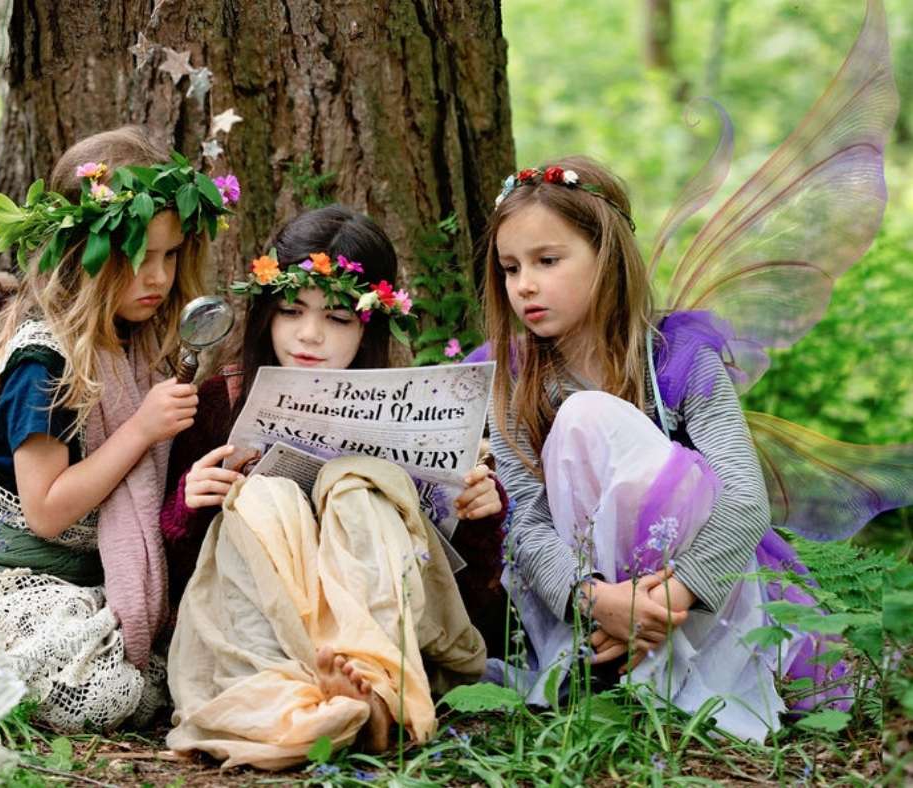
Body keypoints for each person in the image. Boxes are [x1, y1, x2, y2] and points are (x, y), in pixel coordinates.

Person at [481, 157, 855, 742]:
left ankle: (670, 658)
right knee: (580, 421)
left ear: (607, 258)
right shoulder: (513, 375)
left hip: (691, 592)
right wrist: (595, 599)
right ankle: (606, 658)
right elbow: (526, 520)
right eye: (510, 268)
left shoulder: (679, 356)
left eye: (547, 261)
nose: (523, 284)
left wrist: (674, 595)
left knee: (590, 416)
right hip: (586, 596)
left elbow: (745, 499)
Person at [162, 205, 507, 769]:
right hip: (255, 633)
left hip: (390, 624)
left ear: (370, 324)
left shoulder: (415, 410)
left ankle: (373, 685)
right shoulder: (218, 400)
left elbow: (470, 598)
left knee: (359, 484)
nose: (309, 335)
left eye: (339, 319)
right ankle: (303, 698)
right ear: (265, 314)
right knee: (262, 497)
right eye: (290, 311)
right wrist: (190, 502)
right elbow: (182, 573)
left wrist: (479, 519)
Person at [0, 126, 231, 731]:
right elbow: (46, 511)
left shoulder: (140, 342)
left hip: (94, 581)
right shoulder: (41, 363)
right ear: (80, 253)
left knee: (191, 663)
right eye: (138, 257)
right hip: (12, 578)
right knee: (108, 688)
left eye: (171, 256)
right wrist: (141, 430)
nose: (159, 278)